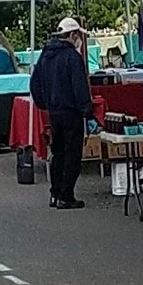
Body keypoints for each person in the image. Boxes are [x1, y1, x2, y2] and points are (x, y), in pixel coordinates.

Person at [28, 14, 93, 208]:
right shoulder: (73, 57)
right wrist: (87, 109)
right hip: (71, 112)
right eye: (78, 35)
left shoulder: (46, 55)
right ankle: (66, 195)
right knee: (72, 154)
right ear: (73, 35)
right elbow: (79, 86)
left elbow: (35, 83)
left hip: (54, 112)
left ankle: (55, 193)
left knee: (58, 153)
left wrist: (44, 104)